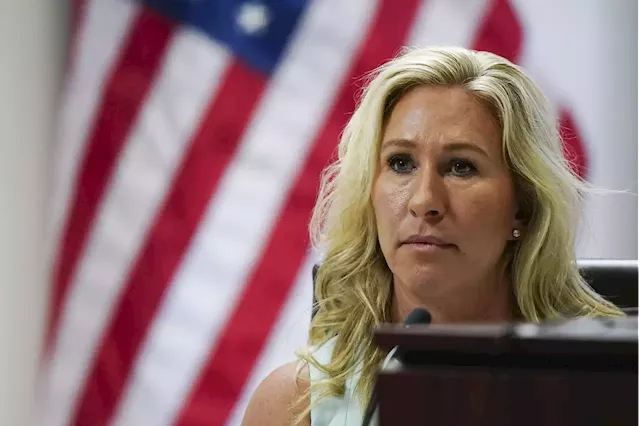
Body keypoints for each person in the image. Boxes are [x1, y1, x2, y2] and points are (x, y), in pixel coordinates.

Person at [240, 45, 624, 426]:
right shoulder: (293, 405)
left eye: (461, 167)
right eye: (400, 163)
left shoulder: (609, 393)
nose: (424, 200)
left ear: (522, 207)